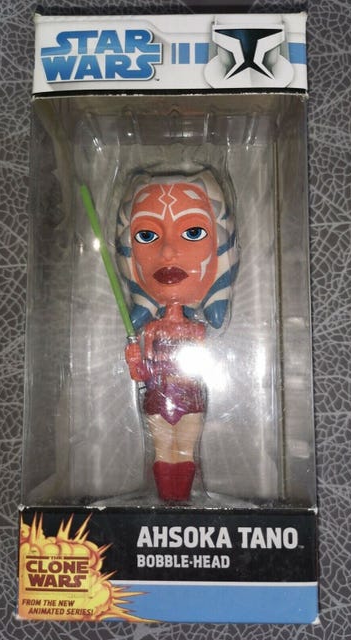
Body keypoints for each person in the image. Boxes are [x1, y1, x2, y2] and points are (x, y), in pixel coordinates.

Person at [116, 171, 239, 501]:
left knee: (185, 449)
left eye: (193, 232)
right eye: (146, 235)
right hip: (158, 398)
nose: (169, 252)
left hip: (189, 399)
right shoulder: (151, 330)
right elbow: (142, 374)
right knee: (163, 449)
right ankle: (168, 501)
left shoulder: (196, 330)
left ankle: (179, 501)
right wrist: (134, 361)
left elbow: (194, 371)